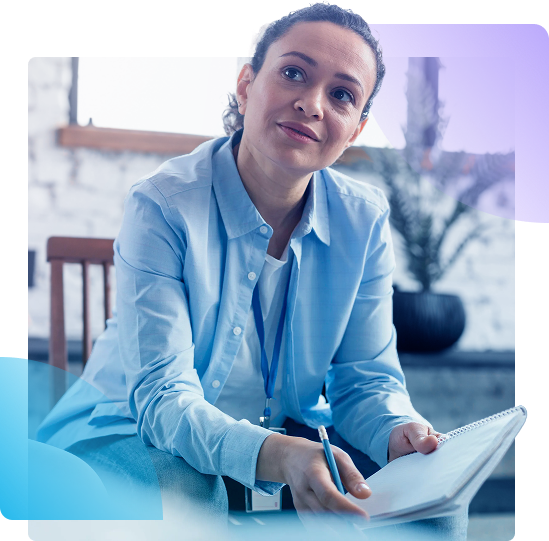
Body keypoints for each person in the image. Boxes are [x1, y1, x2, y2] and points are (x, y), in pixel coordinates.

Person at [36, 3, 468, 539]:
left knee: (432, 496)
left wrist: (398, 430)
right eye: (293, 73)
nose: (311, 104)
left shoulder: (365, 220)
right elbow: (163, 398)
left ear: (354, 129)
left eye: (341, 94)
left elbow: (365, 380)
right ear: (246, 85)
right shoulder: (163, 204)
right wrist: (274, 452)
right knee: (188, 487)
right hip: (127, 426)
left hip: (285, 433)